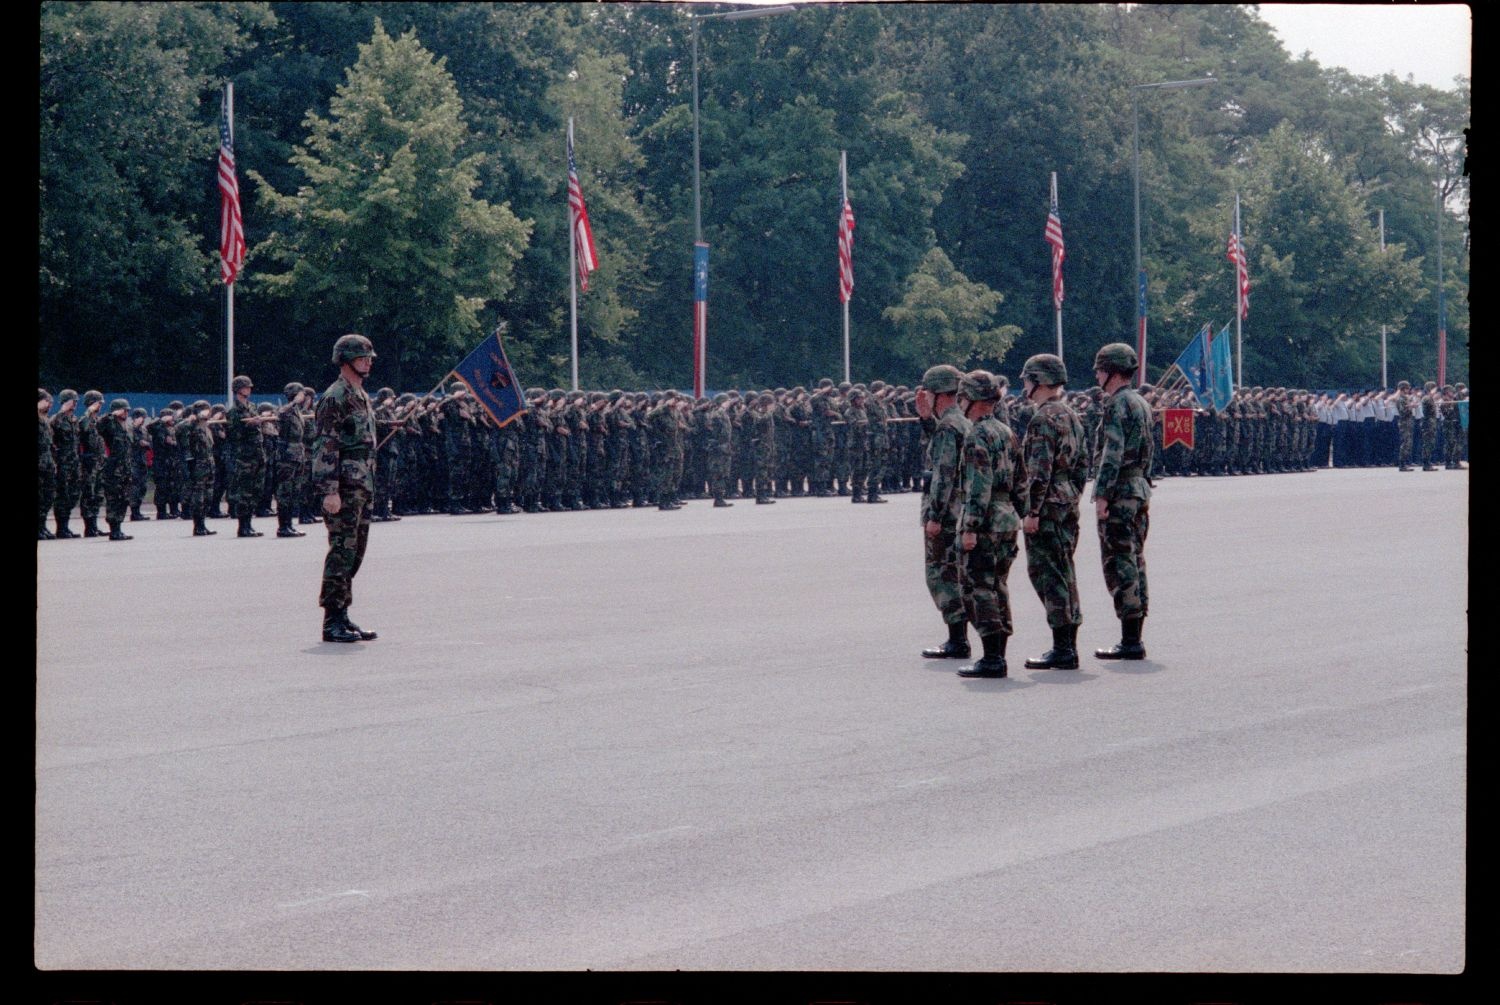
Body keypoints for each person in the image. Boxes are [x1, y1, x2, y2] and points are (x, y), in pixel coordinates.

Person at [1016, 354, 1086, 670]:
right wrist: (1071, 494)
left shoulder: (1044, 418)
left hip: (1046, 505)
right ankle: (1067, 644)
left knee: (1049, 573)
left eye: (1028, 379)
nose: (1024, 385)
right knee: (1063, 571)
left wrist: (1032, 511)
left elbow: (1039, 470)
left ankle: (1063, 648)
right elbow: (1083, 463)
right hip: (1065, 499)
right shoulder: (1070, 414)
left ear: (1040, 382)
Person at [953, 370, 1022, 678]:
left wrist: (970, 527)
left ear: (973, 400)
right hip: (1006, 516)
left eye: (963, 397)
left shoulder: (977, 434)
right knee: (998, 586)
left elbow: (978, 484)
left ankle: (992, 658)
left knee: (980, 588)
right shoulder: (1006, 431)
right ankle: (998, 653)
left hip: (986, 519)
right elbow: (1020, 480)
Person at [313, 334, 380, 643]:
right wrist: (329, 490)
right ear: (345, 360)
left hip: (362, 485)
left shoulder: (361, 395)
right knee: (341, 551)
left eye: (368, 357)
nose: (368, 361)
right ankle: (331, 622)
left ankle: (343, 613)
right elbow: (326, 444)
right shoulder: (335, 396)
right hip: (344, 488)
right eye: (361, 357)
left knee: (355, 552)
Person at [1091, 342, 1153, 660]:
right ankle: (1134, 634)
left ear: (1112, 373)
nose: (1097, 375)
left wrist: (1102, 494)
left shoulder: (1117, 405)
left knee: (1120, 561)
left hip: (1121, 491)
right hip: (1139, 487)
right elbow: (1149, 450)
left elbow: (1111, 454)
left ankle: (1130, 641)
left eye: (1101, 370)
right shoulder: (1140, 402)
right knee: (1135, 560)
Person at [918, 364, 973, 659]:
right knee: (954, 572)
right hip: (960, 509)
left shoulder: (949, 427)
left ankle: (957, 640)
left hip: (948, 512)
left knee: (941, 573)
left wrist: (934, 516)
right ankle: (958, 637)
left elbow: (943, 475)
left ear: (936, 393)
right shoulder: (959, 422)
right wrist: (927, 421)